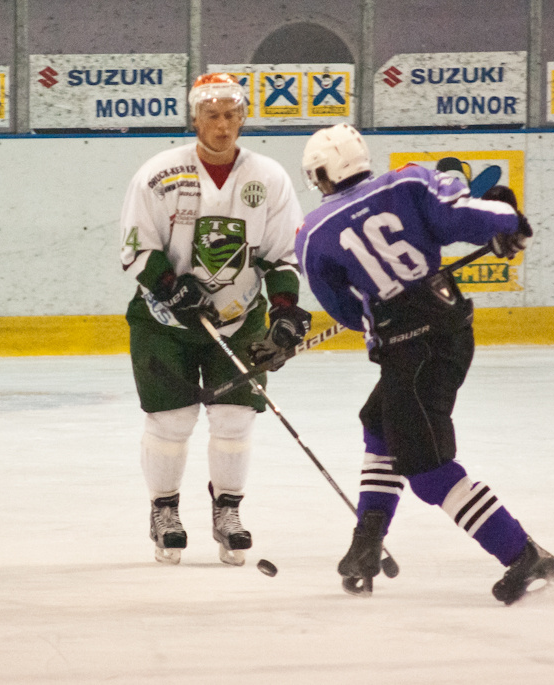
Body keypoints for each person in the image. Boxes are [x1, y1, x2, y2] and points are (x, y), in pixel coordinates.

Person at [296, 123, 554, 604]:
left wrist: (378, 310)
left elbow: (343, 310)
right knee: (379, 422)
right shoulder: (407, 182)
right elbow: (466, 216)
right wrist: (510, 222)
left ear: (320, 175)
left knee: (426, 466)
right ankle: (367, 542)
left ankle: (523, 555)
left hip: (412, 352)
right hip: (448, 335)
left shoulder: (314, 233)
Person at [119, 73, 311, 566]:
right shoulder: (158, 174)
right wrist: (169, 285)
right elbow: (136, 248)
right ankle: (164, 512)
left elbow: (282, 256)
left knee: (234, 419)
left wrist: (286, 314)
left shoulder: (268, 178)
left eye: (231, 115)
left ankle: (228, 511)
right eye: (212, 116)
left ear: (243, 118)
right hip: (165, 321)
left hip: (240, 317)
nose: (222, 126)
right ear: (194, 119)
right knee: (171, 421)